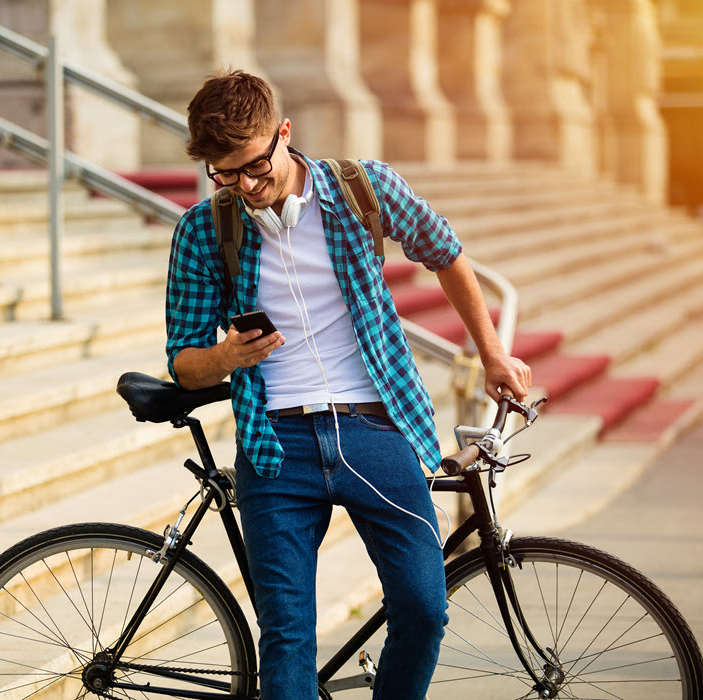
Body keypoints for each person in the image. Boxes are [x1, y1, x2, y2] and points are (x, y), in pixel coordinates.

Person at [164, 69, 531, 700]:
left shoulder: (362, 188)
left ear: (284, 134)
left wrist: (492, 352)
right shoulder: (203, 232)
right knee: (288, 637)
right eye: (225, 175)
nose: (245, 188)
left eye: (255, 167)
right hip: (275, 443)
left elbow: (446, 253)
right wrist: (225, 354)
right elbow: (183, 362)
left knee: (422, 608)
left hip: (375, 429)